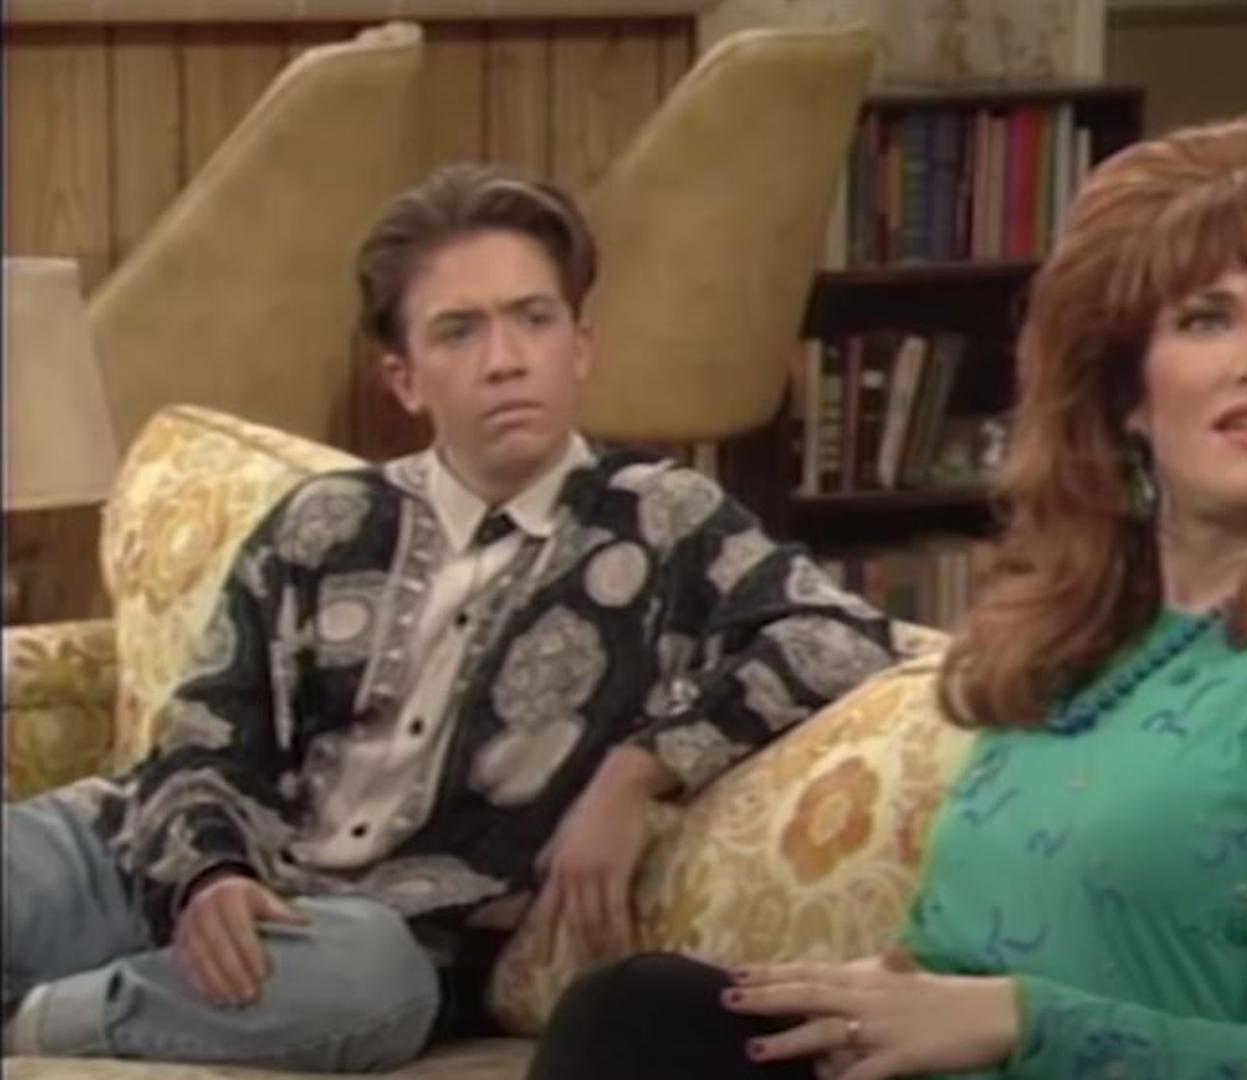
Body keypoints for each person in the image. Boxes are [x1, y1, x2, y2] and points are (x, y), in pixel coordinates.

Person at [528, 114, 1247, 1080]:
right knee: (641, 1014)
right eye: (1207, 318)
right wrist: (887, 994)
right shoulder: (1083, 636)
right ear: (1125, 395)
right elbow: (961, 955)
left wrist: (1014, 1020)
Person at [1, 164, 897, 1072]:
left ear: (580, 347)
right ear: (405, 379)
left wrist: (638, 773)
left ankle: (39, 1016)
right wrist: (209, 872)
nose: (505, 359)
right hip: (140, 863)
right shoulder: (326, 522)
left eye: (533, 318)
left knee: (373, 985)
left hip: (353, 943)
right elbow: (206, 732)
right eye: (459, 331)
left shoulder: (662, 520)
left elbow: (839, 635)